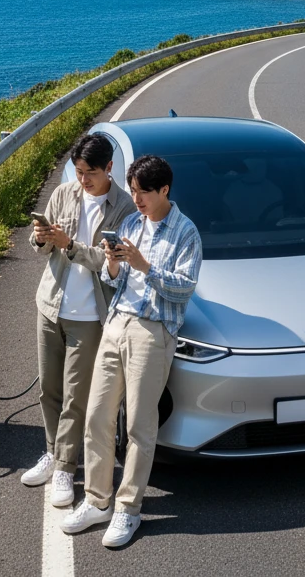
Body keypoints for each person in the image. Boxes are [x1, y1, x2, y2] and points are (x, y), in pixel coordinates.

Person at [60, 154, 202, 549]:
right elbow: (111, 279)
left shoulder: (186, 233)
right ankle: (97, 501)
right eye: (134, 191)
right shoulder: (130, 223)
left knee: (140, 425)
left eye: (142, 193)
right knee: (97, 415)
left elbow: (184, 287)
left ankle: (128, 509)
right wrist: (114, 264)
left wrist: (144, 266)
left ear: (164, 191)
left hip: (153, 330)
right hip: (117, 322)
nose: (135, 199)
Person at [21, 133, 136, 508]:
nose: (82, 179)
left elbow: (109, 266)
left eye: (89, 172)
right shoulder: (64, 194)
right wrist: (41, 238)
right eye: (78, 171)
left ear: (108, 168)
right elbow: (38, 247)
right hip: (51, 305)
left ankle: (67, 469)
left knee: (75, 397)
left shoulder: (124, 209)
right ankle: (53, 454)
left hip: (90, 316)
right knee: (48, 390)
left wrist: (70, 245)